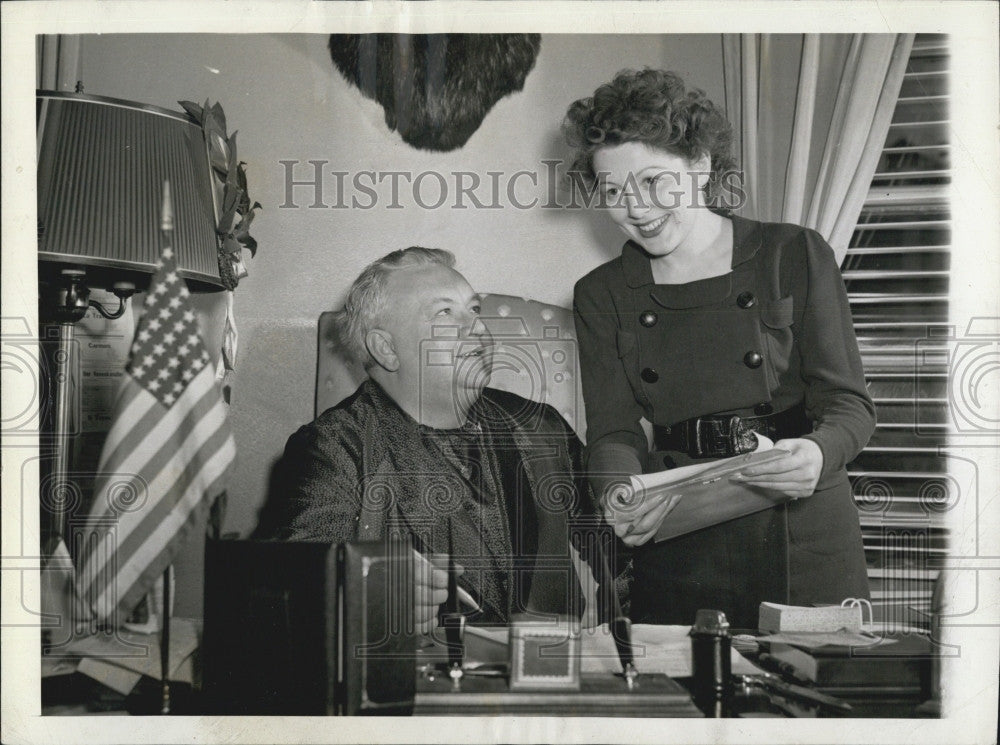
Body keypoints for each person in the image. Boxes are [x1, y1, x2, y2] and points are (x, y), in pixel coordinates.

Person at [564, 69, 874, 628]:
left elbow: (849, 405)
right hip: (679, 533)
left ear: (701, 165)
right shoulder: (600, 294)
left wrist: (818, 454)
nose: (635, 208)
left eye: (654, 182)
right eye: (612, 191)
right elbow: (613, 430)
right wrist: (618, 496)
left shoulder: (793, 253)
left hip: (802, 526)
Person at [255, 247, 602, 631]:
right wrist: (369, 598)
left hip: (552, 678)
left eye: (473, 310)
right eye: (444, 314)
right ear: (386, 349)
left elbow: (618, 549)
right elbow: (291, 586)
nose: (479, 329)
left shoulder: (540, 427)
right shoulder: (335, 449)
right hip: (417, 682)